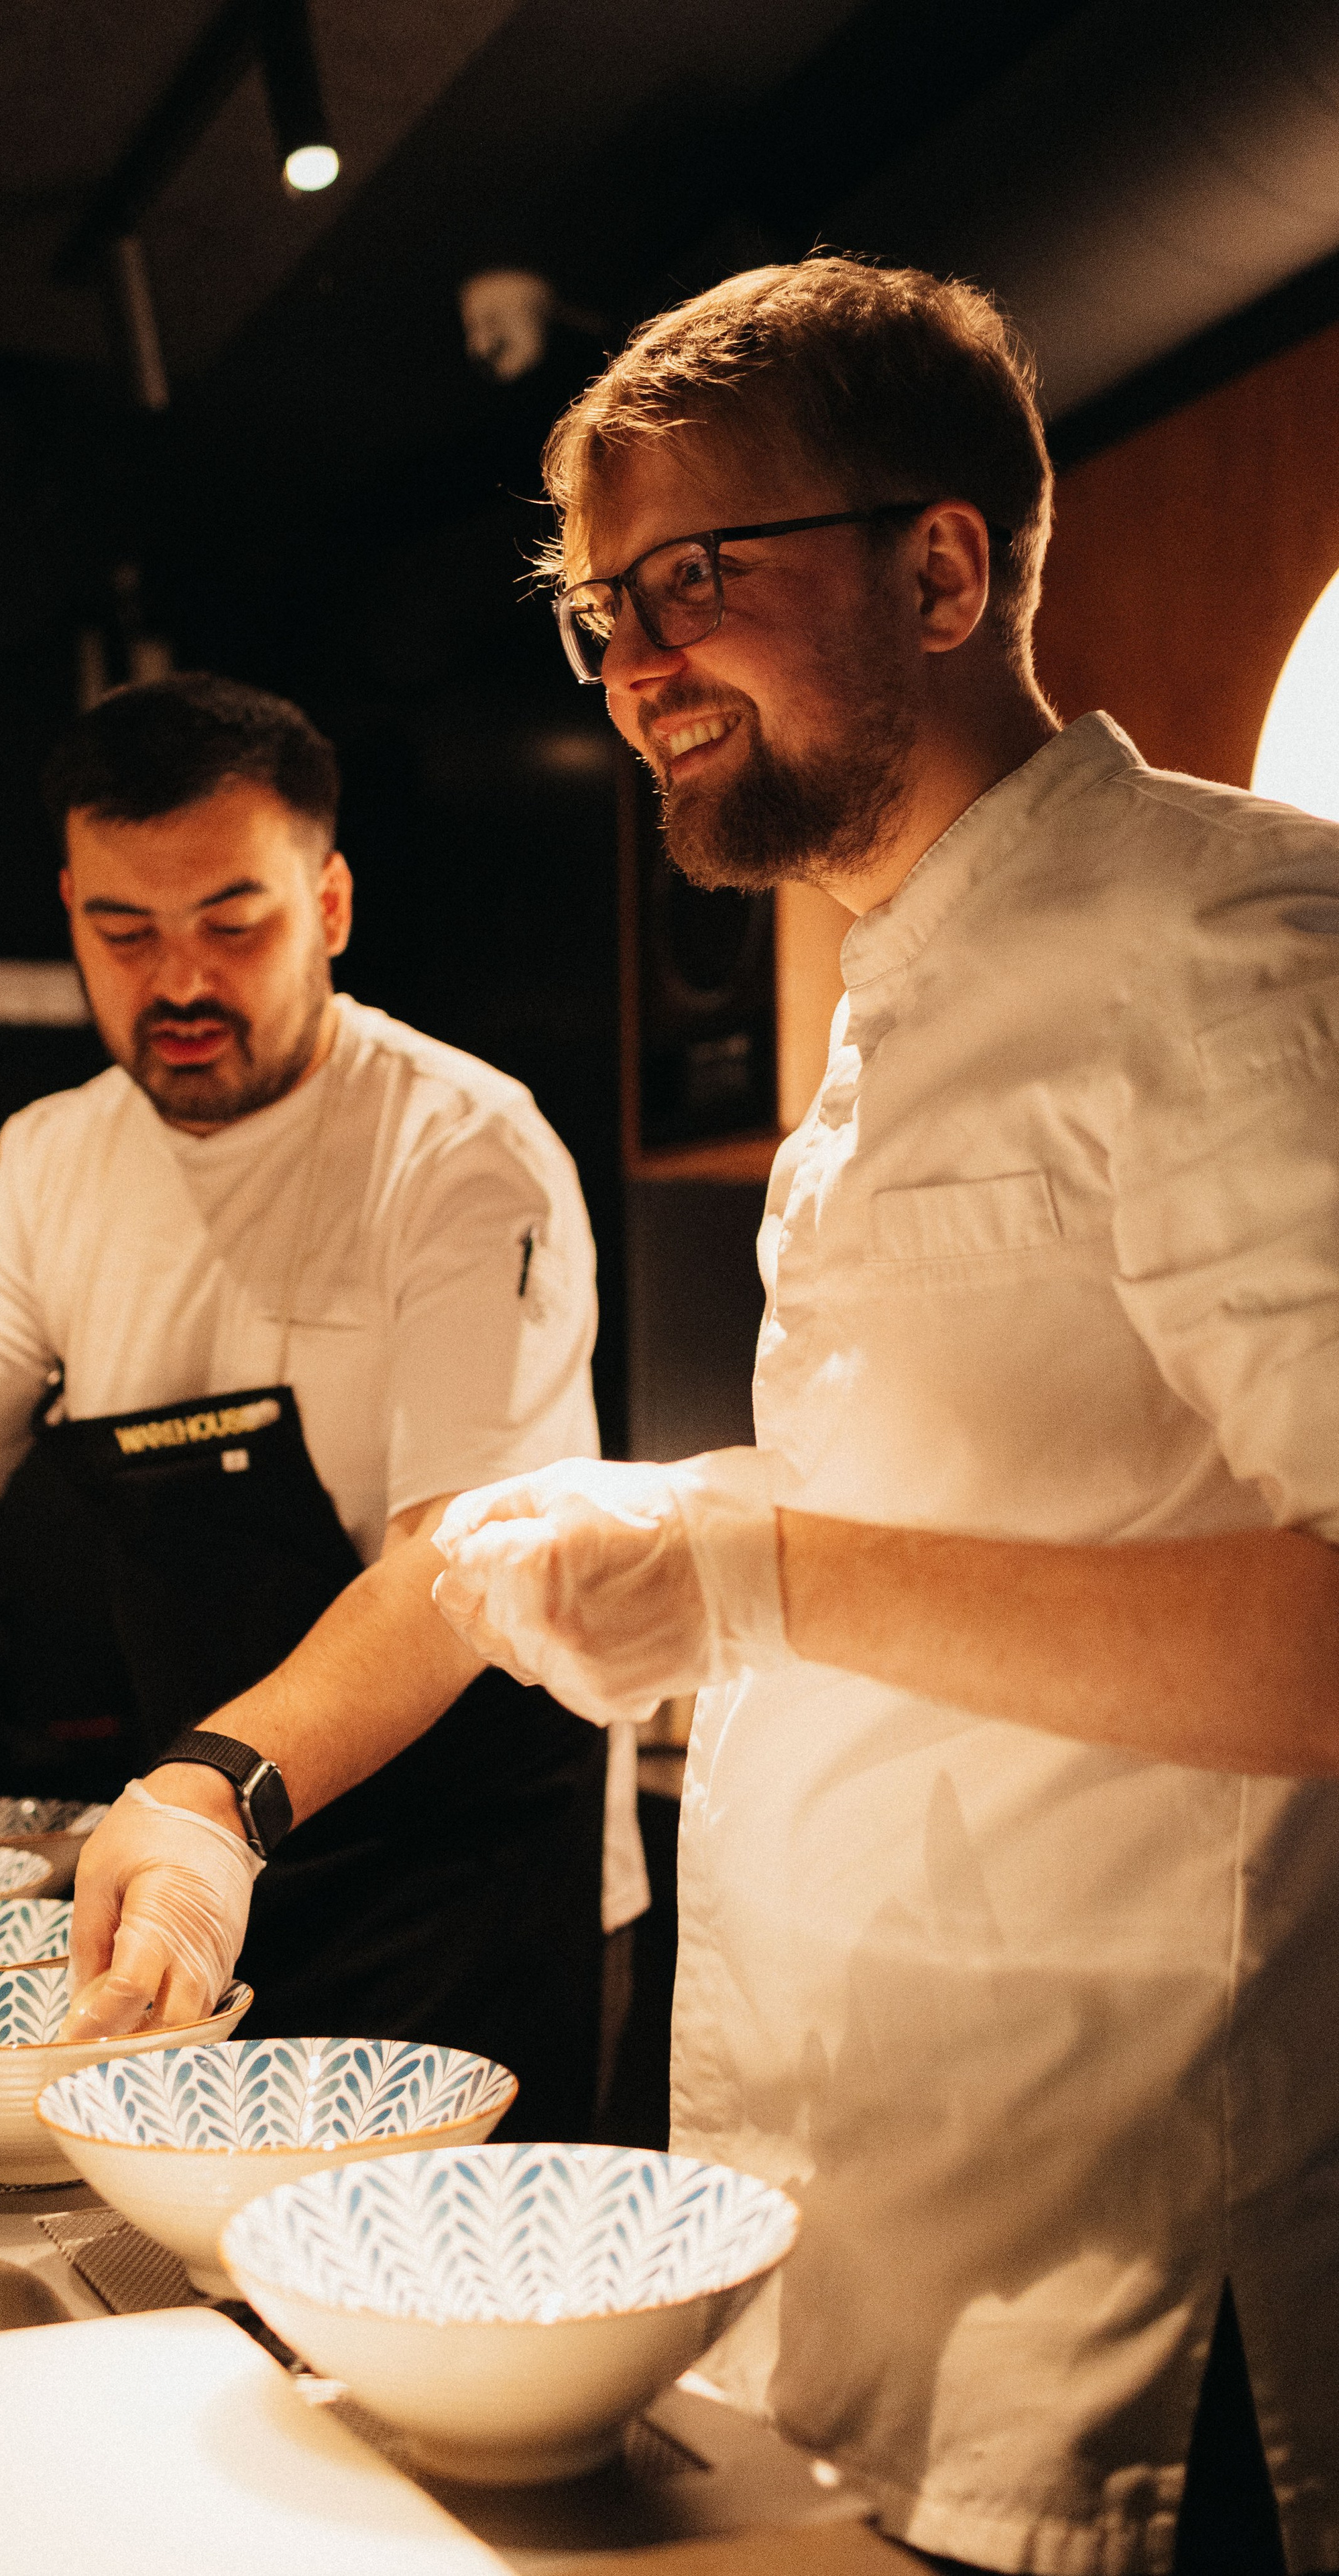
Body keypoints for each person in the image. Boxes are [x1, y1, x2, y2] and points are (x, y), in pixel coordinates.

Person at [430, 258, 1339, 2571]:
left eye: (693, 580)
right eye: (602, 610)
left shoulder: (1228, 949)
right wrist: (692, 1525)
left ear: (941, 572)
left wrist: (753, 1573)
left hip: (1137, 2299)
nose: (634, 667)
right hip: (878, 2243)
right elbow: (1024, 1502)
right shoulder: (897, 988)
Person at [0, 671, 644, 2138]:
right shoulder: (53, 1168)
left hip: (463, 1884)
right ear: (70, 909)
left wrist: (207, 1794)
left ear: (329, 905)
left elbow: (454, 1566)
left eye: (233, 924)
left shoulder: (460, 1149)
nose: (180, 983)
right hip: (188, 1883)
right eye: (125, 932)